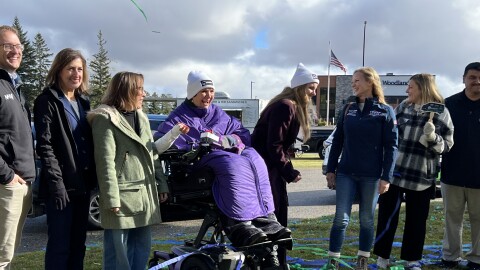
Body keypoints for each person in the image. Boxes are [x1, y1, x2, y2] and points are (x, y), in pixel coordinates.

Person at [155, 70, 291, 249]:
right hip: (199, 164)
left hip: (227, 153)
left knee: (254, 157)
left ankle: (267, 219)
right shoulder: (180, 117)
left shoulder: (217, 113)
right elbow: (162, 142)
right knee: (231, 163)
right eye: (203, 91)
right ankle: (239, 224)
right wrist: (197, 142)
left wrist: (227, 140)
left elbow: (241, 133)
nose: (208, 96)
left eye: (211, 91)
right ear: (193, 94)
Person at [87, 71, 188, 270]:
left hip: (144, 195)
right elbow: (105, 161)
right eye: (140, 89)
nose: (144, 93)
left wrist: (161, 183)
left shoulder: (141, 116)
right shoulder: (105, 118)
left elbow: (151, 152)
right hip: (122, 198)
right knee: (119, 257)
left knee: (141, 251)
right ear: (127, 91)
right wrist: (111, 198)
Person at [373, 74, 454, 270]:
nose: (407, 91)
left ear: (423, 88)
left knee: (416, 220)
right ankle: (382, 256)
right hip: (396, 173)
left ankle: (412, 259)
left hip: (421, 176)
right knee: (386, 216)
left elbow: (448, 146)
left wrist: (433, 137)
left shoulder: (441, 112)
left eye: (411, 87)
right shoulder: (402, 108)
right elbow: (390, 137)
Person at [325, 67, 398, 270]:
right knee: (341, 219)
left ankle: (362, 261)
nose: (354, 84)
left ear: (370, 82)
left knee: (366, 220)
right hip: (346, 172)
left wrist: (386, 177)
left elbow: (392, 147)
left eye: (357, 80)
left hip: (372, 175)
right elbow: (337, 140)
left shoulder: (385, 111)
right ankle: (333, 261)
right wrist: (331, 169)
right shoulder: (348, 108)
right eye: (352, 81)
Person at [33, 48, 97, 269]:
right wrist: (56, 185)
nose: (76, 74)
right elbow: (45, 146)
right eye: (71, 69)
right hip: (61, 188)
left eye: (80, 69)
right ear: (59, 70)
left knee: (79, 246)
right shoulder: (47, 101)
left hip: (83, 186)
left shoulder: (84, 103)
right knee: (60, 248)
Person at [251, 62, 319, 264]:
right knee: (274, 217)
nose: (313, 93)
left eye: (315, 88)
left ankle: (276, 261)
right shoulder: (285, 106)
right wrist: (289, 171)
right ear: (299, 87)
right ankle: (273, 262)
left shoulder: (287, 104)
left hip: (268, 167)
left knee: (274, 216)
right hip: (267, 169)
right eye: (310, 87)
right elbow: (274, 144)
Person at [0, 25, 36, 269]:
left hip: (22, 183)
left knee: (8, 253)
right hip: (7, 185)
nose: (15, 51)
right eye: (8, 46)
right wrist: (7, 176)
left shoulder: (15, 85)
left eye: (18, 46)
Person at [440, 62, 480, 270]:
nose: (477, 81)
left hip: (479, 178)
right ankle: (450, 256)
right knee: (451, 220)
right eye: (472, 77)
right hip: (452, 174)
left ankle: (476, 258)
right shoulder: (449, 104)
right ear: (463, 78)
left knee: (479, 221)